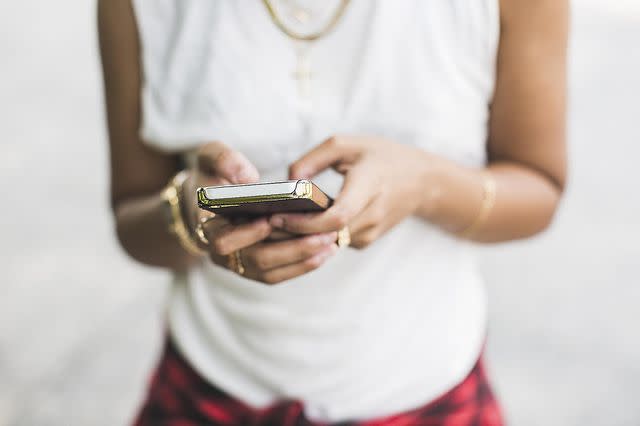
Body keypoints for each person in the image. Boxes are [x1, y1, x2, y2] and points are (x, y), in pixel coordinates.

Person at [98, 0, 567, 424]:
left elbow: (538, 188)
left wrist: (424, 184)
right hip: (208, 388)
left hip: (427, 391)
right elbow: (131, 216)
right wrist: (189, 213)